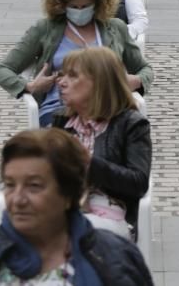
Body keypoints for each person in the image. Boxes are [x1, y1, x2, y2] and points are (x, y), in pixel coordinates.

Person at [0, 0, 153, 127]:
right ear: (61, 4)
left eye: (85, 6)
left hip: (107, 108)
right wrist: (31, 86)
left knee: (132, 131)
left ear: (99, 2)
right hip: (60, 111)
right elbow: (2, 71)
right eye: (73, 6)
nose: (79, 11)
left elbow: (145, 69)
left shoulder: (115, 28)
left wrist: (135, 81)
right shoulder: (45, 29)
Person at [0, 128, 152, 283]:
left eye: (34, 186)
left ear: (68, 194)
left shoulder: (116, 258)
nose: (17, 199)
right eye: (10, 185)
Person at [53, 47, 152, 239]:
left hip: (110, 212)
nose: (61, 82)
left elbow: (138, 183)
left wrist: (88, 163)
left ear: (99, 83)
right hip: (64, 207)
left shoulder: (131, 124)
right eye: (62, 75)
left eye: (72, 76)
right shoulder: (61, 120)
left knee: (80, 232)